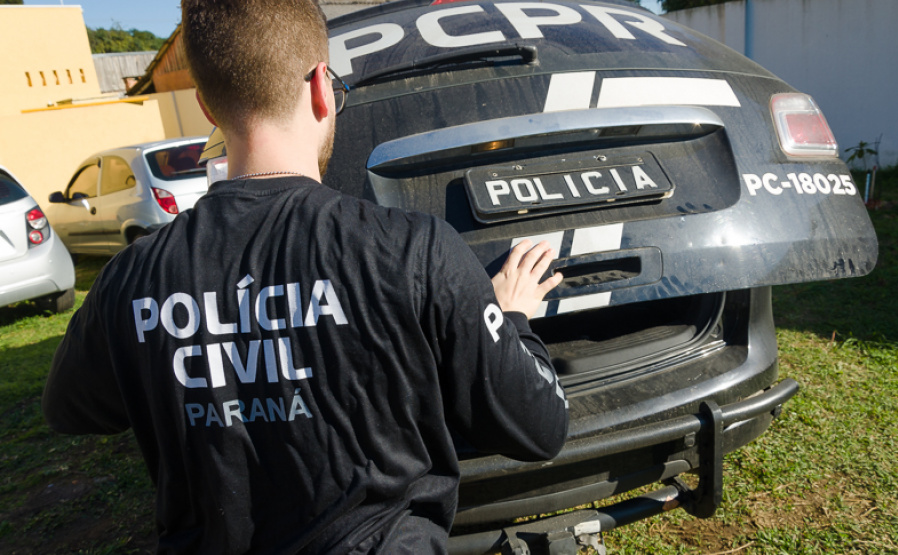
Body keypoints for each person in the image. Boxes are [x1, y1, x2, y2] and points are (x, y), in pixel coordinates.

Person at [42, 0, 568, 553]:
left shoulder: (132, 278)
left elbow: (69, 408)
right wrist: (511, 319)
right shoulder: (414, 249)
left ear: (206, 106)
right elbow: (540, 426)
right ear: (321, 86)